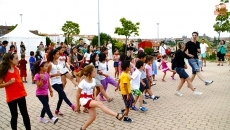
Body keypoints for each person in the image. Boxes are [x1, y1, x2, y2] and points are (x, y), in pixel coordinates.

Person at [75, 65, 125, 130]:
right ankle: (117, 115)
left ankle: (82, 128)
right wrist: (78, 106)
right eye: (94, 72)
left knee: (93, 117)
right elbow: (77, 94)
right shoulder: (83, 83)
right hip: (84, 100)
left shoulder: (93, 80)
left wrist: (94, 97)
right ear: (90, 74)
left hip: (90, 99)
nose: (95, 73)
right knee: (100, 104)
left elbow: (93, 89)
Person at [0, 52, 31, 130]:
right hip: (11, 97)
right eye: (16, 58)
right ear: (10, 60)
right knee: (14, 115)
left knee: (25, 114)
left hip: (21, 95)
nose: (18, 60)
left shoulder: (17, 69)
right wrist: (8, 83)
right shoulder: (4, 71)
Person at [47, 49, 76, 116]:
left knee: (61, 97)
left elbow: (62, 70)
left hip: (59, 82)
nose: (59, 55)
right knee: (63, 93)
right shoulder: (50, 64)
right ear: (53, 55)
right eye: (57, 54)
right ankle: (72, 106)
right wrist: (55, 75)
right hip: (54, 83)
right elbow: (47, 75)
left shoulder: (59, 63)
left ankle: (57, 110)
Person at [33, 60, 59, 124]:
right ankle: (52, 118)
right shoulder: (37, 75)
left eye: (47, 66)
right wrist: (41, 78)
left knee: (45, 106)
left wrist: (50, 90)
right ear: (41, 67)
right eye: (46, 66)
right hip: (39, 94)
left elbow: (48, 82)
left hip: (45, 93)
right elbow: (39, 86)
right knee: (46, 105)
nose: (47, 67)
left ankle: (41, 118)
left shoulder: (46, 74)